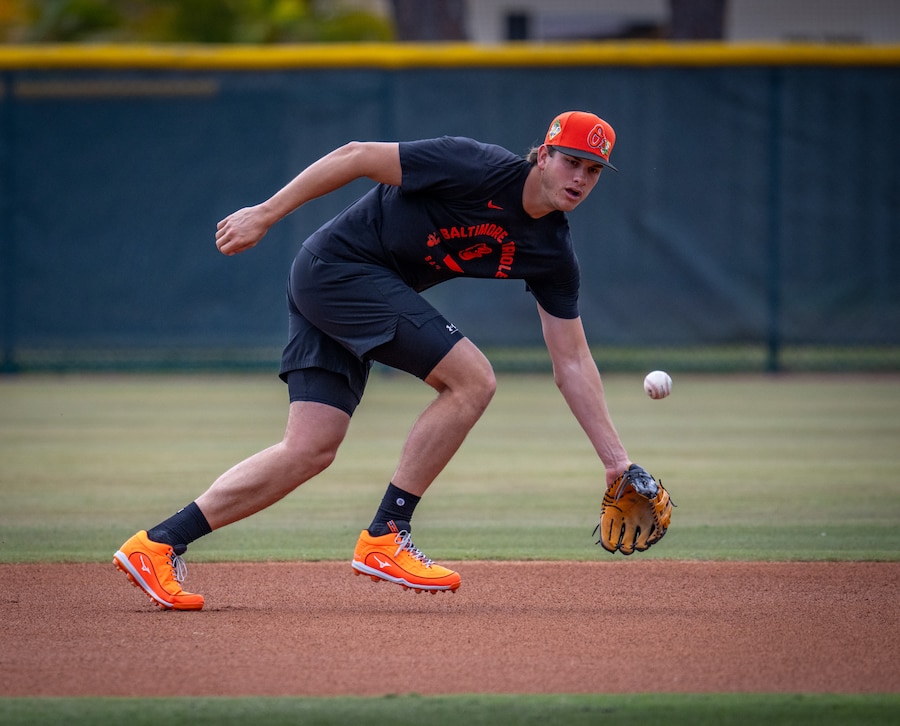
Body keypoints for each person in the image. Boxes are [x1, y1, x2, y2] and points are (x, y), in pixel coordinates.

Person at [114, 110, 634, 610]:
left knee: (309, 449)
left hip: (344, 286)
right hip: (338, 269)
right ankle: (388, 533)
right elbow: (357, 154)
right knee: (473, 380)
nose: (581, 178)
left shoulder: (551, 252)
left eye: (593, 171)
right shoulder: (474, 166)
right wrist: (265, 213)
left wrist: (616, 463)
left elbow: (572, 362)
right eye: (571, 161)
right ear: (543, 155)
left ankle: (158, 545)